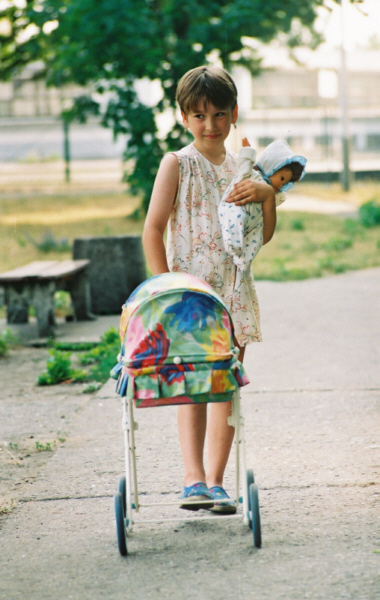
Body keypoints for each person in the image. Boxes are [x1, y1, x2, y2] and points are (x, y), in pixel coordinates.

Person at [142, 65, 276, 514]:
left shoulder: (246, 169)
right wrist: (167, 291)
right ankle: (192, 478)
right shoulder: (177, 164)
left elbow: (263, 236)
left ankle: (218, 483)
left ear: (234, 113)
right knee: (195, 386)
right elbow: (153, 230)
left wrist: (267, 195)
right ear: (184, 118)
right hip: (190, 298)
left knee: (226, 388)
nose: (211, 125)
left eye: (220, 114)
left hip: (234, 296)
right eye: (199, 116)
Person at [218, 137, 307, 274]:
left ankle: (243, 261)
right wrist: (247, 150)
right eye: (281, 178)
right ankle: (233, 244)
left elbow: (272, 211)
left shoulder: (271, 193)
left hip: (253, 223)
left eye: (284, 184)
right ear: (271, 166)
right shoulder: (251, 175)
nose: (280, 185)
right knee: (236, 217)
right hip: (236, 207)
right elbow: (244, 164)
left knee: (255, 239)